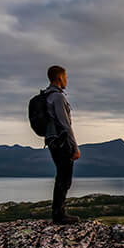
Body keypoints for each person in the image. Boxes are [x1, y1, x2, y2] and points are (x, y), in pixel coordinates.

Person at [43, 65, 81, 224]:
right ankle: (59, 215)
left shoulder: (46, 95)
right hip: (61, 140)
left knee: (61, 176)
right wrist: (75, 147)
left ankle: (58, 213)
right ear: (59, 78)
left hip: (51, 139)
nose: (67, 80)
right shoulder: (58, 97)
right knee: (65, 178)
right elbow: (65, 124)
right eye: (65, 77)